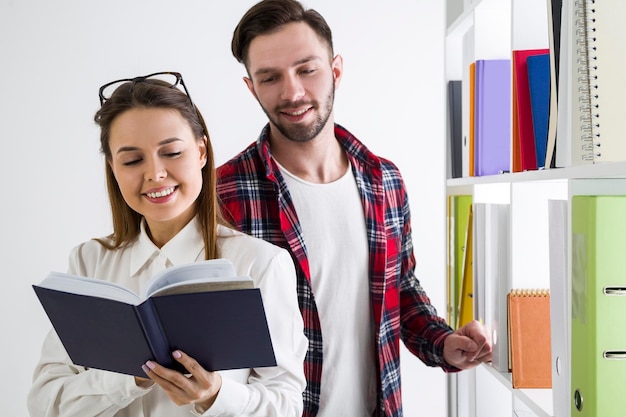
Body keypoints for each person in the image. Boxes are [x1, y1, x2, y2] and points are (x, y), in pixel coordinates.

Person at [216, 1, 492, 416]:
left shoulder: (384, 180)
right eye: (270, 78)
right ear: (251, 88)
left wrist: (445, 344)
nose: (292, 92)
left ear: (336, 71)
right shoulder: (224, 192)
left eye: (306, 69)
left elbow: (401, 291)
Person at [27, 71, 308, 417]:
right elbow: (45, 403)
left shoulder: (259, 264)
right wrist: (131, 378)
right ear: (112, 167)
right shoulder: (90, 261)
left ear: (202, 152)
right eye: (132, 160)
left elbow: (286, 404)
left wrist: (216, 395)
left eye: (172, 152)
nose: (155, 173)